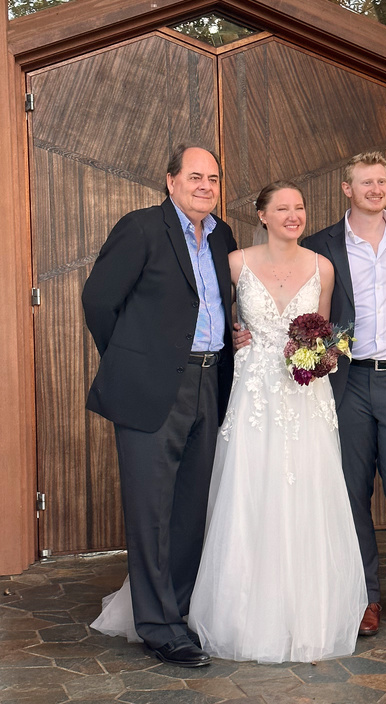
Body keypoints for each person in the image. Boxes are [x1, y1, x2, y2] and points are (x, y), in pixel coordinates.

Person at [188, 180, 367, 663]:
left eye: (300, 207)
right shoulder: (235, 263)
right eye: (282, 208)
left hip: (306, 397)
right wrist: (233, 332)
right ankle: (243, 617)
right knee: (252, 491)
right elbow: (210, 315)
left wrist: (322, 356)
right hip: (253, 395)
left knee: (307, 494)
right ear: (262, 215)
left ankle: (307, 615)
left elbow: (325, 337)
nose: (293, 215)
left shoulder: (323, 267)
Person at [83, 144, 236, 667]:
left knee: (191, 509)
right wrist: (133, 361)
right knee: (150, 512)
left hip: (210, 381)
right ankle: (157, 627)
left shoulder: (223, 235)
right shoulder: (142, 227)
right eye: (195, 177)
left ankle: (179, 613)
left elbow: (218, 303)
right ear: (171, 181)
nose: (205, 186)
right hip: (152, 388)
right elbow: (98, 300)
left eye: (213, 178)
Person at [302, 152, 386, 637]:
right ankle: (365, 597)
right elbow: (295, 297)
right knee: (352, 492)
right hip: (348, 381)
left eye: (381, 181)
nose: (376, 189)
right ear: (347, 189)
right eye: (365, 182)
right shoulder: (321, 244)